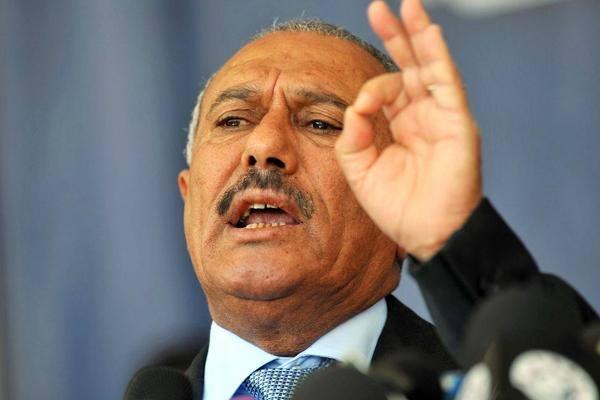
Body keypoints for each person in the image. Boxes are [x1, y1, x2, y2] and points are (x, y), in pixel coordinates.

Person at [128, 1, 598, 399]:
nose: (264, 145)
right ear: (189, 198)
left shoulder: (486, 383)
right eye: (233, 120)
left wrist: (453, 234)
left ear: (399, 203)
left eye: (320, 123)